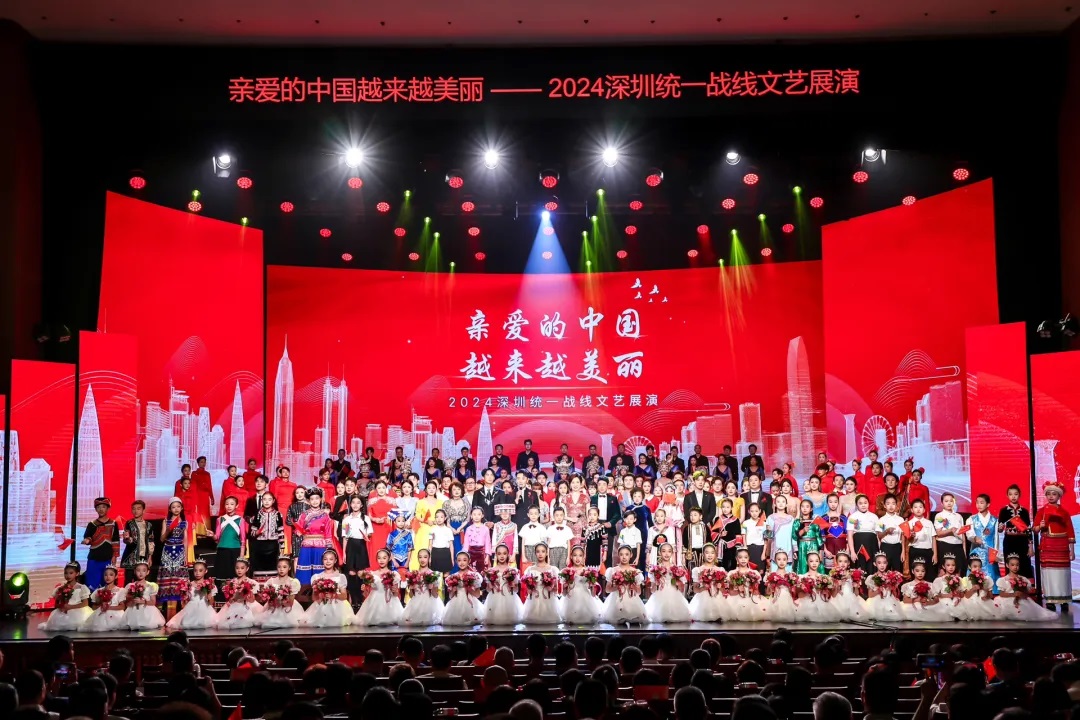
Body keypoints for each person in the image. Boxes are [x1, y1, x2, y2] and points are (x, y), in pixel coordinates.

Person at [1034, 481, 1075, 611]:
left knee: (1063, 574)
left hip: (1062, 547)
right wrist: (1039, 526)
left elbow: (1070, 531)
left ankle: (1064, 600)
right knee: (1049, 573)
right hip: (1047, 546)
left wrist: (1072, 550)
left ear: (1059, 496)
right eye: (1049, 494)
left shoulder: (1064, 512)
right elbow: (1035, 529)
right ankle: (1050, 600)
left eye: (1054, 494)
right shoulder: (1041, 511)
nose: (1051, 496)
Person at [294, 488, 338, 587]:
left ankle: (321, 589)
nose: (315, 501)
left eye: (317, 498)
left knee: (320, 569)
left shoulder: (325, 515)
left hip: (320, 546)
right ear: (308, 501)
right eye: (312, 499)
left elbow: (328, 532)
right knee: (305, 570)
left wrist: (329, 547)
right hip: (307, 546)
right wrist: (298, 531)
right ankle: (304, 591)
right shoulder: (304, 515)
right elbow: (298, 529)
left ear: (321, 499)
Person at [994, 553, 1058, 621]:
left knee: (1024, 609)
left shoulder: (1023, 579)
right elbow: (1001, 594)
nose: (1015, 567)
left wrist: (1021, 594)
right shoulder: (1003, 579)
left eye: (1017, 565)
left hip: (1021, 599)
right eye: (1012, 565)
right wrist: (1014, 594)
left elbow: (1026, 593)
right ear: (1007, 565)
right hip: (1007, 599)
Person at [157, 497, 195, 604]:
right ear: (170, 509)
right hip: (168, 550)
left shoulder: (184, 522)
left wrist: (186, 556)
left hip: (179, 550)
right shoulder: (166, 521)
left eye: (178, 506)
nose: (176, 509)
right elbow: (161, 539)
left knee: (179, 575)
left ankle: (179, 599)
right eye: (173, 507)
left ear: (182, 508)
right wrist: (168, 531)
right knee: (167, 573)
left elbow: (185, 540)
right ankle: (165, 600)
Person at [304, 549, 354, 627]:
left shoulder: (340, 576)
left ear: (335, 561)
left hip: (338, 605)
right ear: (322, 560)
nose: (328, 561)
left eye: (331, 559)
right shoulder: (317, 577)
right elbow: (314, 597)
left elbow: (344, 596)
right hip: (321, 604)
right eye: (325, 559)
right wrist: (321, 595)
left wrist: (333, 595)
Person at [353, 549, 403, 627]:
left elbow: (396, 594)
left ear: (389, 558)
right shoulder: (372, 574)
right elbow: (366, 593)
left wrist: (394, 590)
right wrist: (364, 588)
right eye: (379, 558)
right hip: (374, 601)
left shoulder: (394, 574)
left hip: (390, 601)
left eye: (384, 558)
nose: (381, 560)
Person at [645, 542, 692, 623]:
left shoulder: (676, 569)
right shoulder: (656, 569)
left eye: (669, 551)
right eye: (664, 551)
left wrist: (677, 582)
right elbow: (652, 590)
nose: (666, 554)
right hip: (660, 594)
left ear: (672, 553)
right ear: (659, 553)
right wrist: (657, 581)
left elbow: (681, 589)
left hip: (674, 594)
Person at [165, 560, 218, 630]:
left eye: (200, 570)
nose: (197, 573)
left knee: (205, 623)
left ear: (206, 571)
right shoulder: (189, 584)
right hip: (191, 608)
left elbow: (211, 602)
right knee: (186, 622)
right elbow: (184, 603)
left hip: (204, 608)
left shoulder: (209, 584)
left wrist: (209, 594)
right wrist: (184, 597)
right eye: (195, 570)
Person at [39, 562, 91, 632]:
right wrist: (61, 606)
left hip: (77, 612)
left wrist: (70, 607)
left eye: (71, 573)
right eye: (66, 573)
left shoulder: (81, 587)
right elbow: (56, 604)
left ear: (77, 573)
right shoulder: (60, 588)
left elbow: (85, 603)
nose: (68, 575)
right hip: (63, 612)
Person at [997, 484, 1034, 580]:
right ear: (1007, 496)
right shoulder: (1003, 510)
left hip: (1022, 542)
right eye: (1010, 494)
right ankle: (1011, 586)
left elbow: (1028, 530)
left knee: (1024, 564)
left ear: (1019, 495)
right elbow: (999, 530)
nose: (1013, 496)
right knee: (1010, 564)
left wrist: (1030, 547)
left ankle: (1025, 586)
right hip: (1009, 542)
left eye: (1016, 494)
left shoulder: (1024, 511)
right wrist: (1000, 528)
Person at [603, 546, 647, 624]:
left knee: (634, 621)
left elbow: (639, 592)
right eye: (621, 554)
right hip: (617, 599)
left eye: (626, 554)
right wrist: (617, 587)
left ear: (631, 555)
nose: (624, 557)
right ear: (618, 555)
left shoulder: (635, 571)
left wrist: (633, 586)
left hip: (632, 599)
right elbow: (607, 589)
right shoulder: (613, 570)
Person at [82, 498, 119, 590]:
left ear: (108, 508)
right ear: (95, 509)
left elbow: (115, 540)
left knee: (106, 581)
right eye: (98, 507)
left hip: (107, 557)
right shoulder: (92, 524)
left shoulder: (113, 523)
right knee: (91, 582)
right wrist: (87, 540)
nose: (101, 509)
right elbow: (88, 537)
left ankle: (105, 598)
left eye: (103, 507)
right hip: (94, 557)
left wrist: (115, 555)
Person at [402, 549, 444, 626]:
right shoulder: (413, 574)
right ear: (418, 558)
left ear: (429, 558)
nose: (422, 559)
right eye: (420, 557)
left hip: (431, 604)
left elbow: (435, 595)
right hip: (416, 603)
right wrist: (412, 587)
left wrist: (431, 587)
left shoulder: (433, 574)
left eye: (425, 557)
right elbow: (411, 595)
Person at [561, 546, 602, 625]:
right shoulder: (567, 571)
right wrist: (566, 585)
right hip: (571, 600)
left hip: (586, 599)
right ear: (571, 556)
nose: (577, 558)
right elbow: (564, 594)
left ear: (583, 557)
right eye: (575, 555)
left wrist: (592, 585)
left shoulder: (588, 571)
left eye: (580, 555)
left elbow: (593, 594)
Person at [258, 557, 303, 629]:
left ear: (289, 568)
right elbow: (268, 599)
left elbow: (290, 602)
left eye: (284, 567)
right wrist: (272, 601)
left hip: (287, 607)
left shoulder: (293, 582)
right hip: (273, 607)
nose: (281, 569)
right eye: (279, 567)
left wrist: (281, 602)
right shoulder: (271, 581)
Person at [483, 544, 523, 625]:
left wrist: (512, 585)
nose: (502, 556)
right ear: (496, 555)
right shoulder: (491, 571)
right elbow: (488, 589)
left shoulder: (512, 571)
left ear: (508, 555)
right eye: (499, 553)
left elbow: (516, 590)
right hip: (494, 598)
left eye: (504, 553)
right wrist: (491, 585)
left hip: (509, 598)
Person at [522, 543, 562, 623]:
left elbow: (555, 590)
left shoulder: (552, 569)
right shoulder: (530, 569)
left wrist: (550, 586)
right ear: (535, 553)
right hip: (534, 598)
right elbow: (528, 590)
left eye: (543, 551)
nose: (540, 554)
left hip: (548, 599)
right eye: (538, 551)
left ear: (547, 553)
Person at [217, 559, 261, 630]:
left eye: (242, 568)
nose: (239, 570)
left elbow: (252, 599)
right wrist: (234, 597)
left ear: (247, 569)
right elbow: (230, 599)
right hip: (234, 605)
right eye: (237, 568)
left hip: (247, 604)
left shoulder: (251, 582)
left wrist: (246, 593)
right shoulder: (232, 582)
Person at [80, 566, 127, 632]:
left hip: (116, 615)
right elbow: (93, 607)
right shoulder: (99, 591)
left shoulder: (120, 590)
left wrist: (109, 607)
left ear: (116, 576)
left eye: (111, 575)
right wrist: (101, 605)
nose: (108, 577)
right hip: (100, 615)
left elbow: (122, 606)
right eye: (105, 575)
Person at [442, 552, 485, 625]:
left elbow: (478, 595)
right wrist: (453, 590)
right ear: (456, 562)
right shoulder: (453, 576)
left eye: (464, 560)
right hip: (456, 603)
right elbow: (450, 596)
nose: (462, 563)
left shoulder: (474, 575)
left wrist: (469, 589)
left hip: (471, 603)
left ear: (469, 561)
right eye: (459, 560)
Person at [122, 561, 166, 630]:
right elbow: (127, 603)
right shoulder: (130, 586)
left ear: (147, 572)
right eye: (138, 570)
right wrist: (132, 600)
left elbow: (153, 602)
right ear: (134, 571)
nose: (141, 573)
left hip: (147, 610)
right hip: (133, 610)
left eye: (144, 570)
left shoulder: (151, 585)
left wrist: (142, 601)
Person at [249, 492, 285, 576]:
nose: (267, 501)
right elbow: (252, 532)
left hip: (273, 545)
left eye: (269, 499)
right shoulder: (258, 514)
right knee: (259, 566)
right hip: (259, 545)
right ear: (262, 501)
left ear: (273, 501)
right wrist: (257, 532)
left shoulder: (278, 514)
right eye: (264, 499)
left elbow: (281, 531)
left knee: (272, 566)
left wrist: (282, 547)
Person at [688, 544, 727, 622]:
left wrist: (719, 586)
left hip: (717, 599)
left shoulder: (720, 570)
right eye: (707, 552)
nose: (710, 555)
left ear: (715, 554)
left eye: (712, 553)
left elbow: (723, 590)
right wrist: (704, 587)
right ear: (703, 554)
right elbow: (695, 589)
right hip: (703, 599)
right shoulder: (697, 570)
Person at [214, 496, 249, 583]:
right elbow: (217, 537)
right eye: (227, 504)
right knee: (222, 574)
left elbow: (243, 538)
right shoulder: (220, 519)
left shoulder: (240, 520)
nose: (229, 506)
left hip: (235, 549)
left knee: (234, 574)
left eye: (232, 504)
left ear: (236, 506)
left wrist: (241, 555)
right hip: (222, 549)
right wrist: (211, 535)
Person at [935, 492, 968, 576]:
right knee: (943, 572)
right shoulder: (940, 516)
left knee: (958, 572)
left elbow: (962, 534)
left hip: (958, 546)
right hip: (945, 546)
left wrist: (964, 551)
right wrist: (950, 530)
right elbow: (938, 533)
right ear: (942, 503)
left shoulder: (959, 516)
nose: (949, 503)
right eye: (946, 501)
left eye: (951, 501)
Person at [863, 552, 903, 623]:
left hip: (889, 599)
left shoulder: (891, 576)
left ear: (887, 563)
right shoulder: (872, 577)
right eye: (879, 563)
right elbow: (870, 595)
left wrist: (893, 586)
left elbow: (894, 594)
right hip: (876, 600)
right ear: (875, 564)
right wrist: (879, 590)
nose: (882, 565)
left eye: (884, 563)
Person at [763, 551, 798, 624]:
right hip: (776, 598)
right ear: (775, 561)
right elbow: (768, 592)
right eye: (779, 559)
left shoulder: (790, 575)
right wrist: (772, 586)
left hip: (787, 598)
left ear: (787, 560)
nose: (781, 562)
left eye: (784, 559)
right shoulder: (772, 575)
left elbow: (794, 591)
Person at [120, 500, 154, 571]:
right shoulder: (129, 523)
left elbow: (150, 541)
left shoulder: (149, 525)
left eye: (138, 509)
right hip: (131, 556)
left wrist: (150, 556)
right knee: (130, 576)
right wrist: (127, 539)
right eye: (133, 509)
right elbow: (127, 540)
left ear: (143, 510)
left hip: (144, 556)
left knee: (142, 576)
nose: (135, 511)